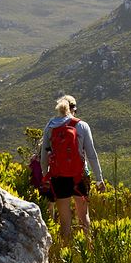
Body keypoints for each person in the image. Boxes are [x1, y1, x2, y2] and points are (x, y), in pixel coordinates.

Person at [41, 94, 106, 240]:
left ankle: (65, 251)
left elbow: (44, 156)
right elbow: (91, 154)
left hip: (58, 177)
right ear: (74, 109)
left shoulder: (50, 126)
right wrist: (99, 179)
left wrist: (46, 175)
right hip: (80, 176)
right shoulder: (82, 125)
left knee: (65, 223)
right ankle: (87, 253)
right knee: (84, 218)